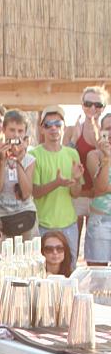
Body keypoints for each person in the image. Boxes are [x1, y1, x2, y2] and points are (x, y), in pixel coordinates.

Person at [23, 231, 76, 354]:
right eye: (49, 249)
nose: (55, 253)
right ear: (42, 252)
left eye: (59, 248)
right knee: (35, 346)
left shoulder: (72, 277)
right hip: (39, 329)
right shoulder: (34, 275)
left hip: (62, 331)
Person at [31, 104, 84, 267]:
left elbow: (75, 193)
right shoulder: (34, 155)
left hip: (69, 225)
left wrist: (76, 180)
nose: (53, 128)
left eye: (58, 124)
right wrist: (57, 183)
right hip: (43, 225)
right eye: (48, 125)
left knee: (70, 270)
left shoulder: (72, 154)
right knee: (42, 271)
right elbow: (35, 192)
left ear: (63, 127)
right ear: (42, 129)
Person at [64, 85, 108, 236]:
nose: (92, 108)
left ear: (104, 108)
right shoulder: (71, 130)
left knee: (96, 244)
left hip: (99, 198)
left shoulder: (106, 133)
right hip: (77, 196)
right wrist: (74, 140)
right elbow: (63, 160)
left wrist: (98, 140)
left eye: (98, 105)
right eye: (88, 104)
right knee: (72, 243)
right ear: (82, 105)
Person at [0, 108, 37, 240]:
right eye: (12, 130)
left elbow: (26, 193)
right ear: (4, 130)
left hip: (25, 215)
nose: (16, 135)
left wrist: (18, 161)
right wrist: (2, 161)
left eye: (20, 131)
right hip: (1, 216)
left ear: (25, 133)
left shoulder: (29, 159)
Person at [84, 111, 111, 263]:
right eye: (108, 128)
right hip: (100, 221)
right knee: (97, 272)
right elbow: (100, 188)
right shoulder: (94, 155)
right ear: (102, 131)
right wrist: (107, 157)